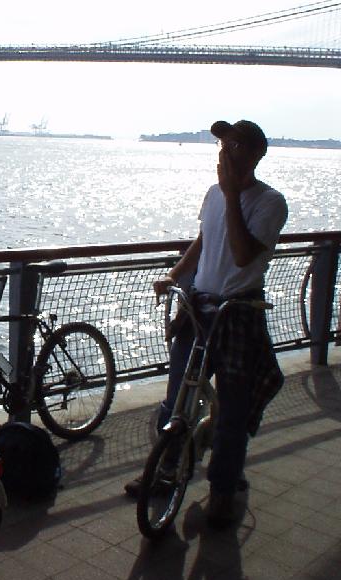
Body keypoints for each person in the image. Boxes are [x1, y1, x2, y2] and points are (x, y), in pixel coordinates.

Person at [125, 119, 287, 529]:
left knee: (231, 412)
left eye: (237, 145)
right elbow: (203, 241)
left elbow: (243, 253)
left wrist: (233, 194)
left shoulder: (269, 202)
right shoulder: (213, 194)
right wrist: (175, 274)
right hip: (200, 308)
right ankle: (164, 473)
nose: (226, 152)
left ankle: (222, 489)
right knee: (177, 397)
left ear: (256, 154)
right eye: (224, 144)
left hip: (238, 314)